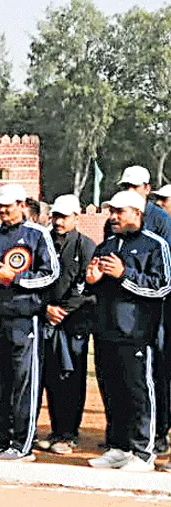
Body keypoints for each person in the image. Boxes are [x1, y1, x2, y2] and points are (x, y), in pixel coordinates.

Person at [86, 190, 170, 471]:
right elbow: (93, 286)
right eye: (111, 211)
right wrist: (92, 280)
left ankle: (143, 451)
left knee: (139, 392)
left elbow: (162, 286)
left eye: (119, 212)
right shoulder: (106, 244)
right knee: (113, 391)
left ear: (137, 213)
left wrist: (125, 275)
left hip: (137, 332)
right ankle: (118, 446)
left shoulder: (155, 245)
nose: (113, 217)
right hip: (106, 330)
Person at [0, 184, 59, 461]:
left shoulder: (38, 234)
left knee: (25, 382)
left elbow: (51, 274)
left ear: (22, 205)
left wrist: (15, 279)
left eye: (7, 207)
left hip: (26, 318)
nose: (2, 212)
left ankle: (22, 443)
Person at [33, 195, 96, 455]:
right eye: (55, 216)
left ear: (75, 218)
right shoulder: (42, 241)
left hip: (74, 322)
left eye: (64, 217)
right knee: (49, 376)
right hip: (47, 318)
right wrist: (45, 309)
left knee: (71, 377)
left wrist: (63, 310)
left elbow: (85, 285)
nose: (58, 221)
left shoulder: (85, 245)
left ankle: (69, 433)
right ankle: (56, 430)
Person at [116, 166, 171, 455]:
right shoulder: (118, 219)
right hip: (125, 311)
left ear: (147, 189)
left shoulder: (159, 221)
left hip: (155, 308)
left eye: (134, 186)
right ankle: (125, 440)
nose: (129, 189)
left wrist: (127, 274)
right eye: (126, 185)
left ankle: (157, 434)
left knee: (154, 374)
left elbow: (163, 268)